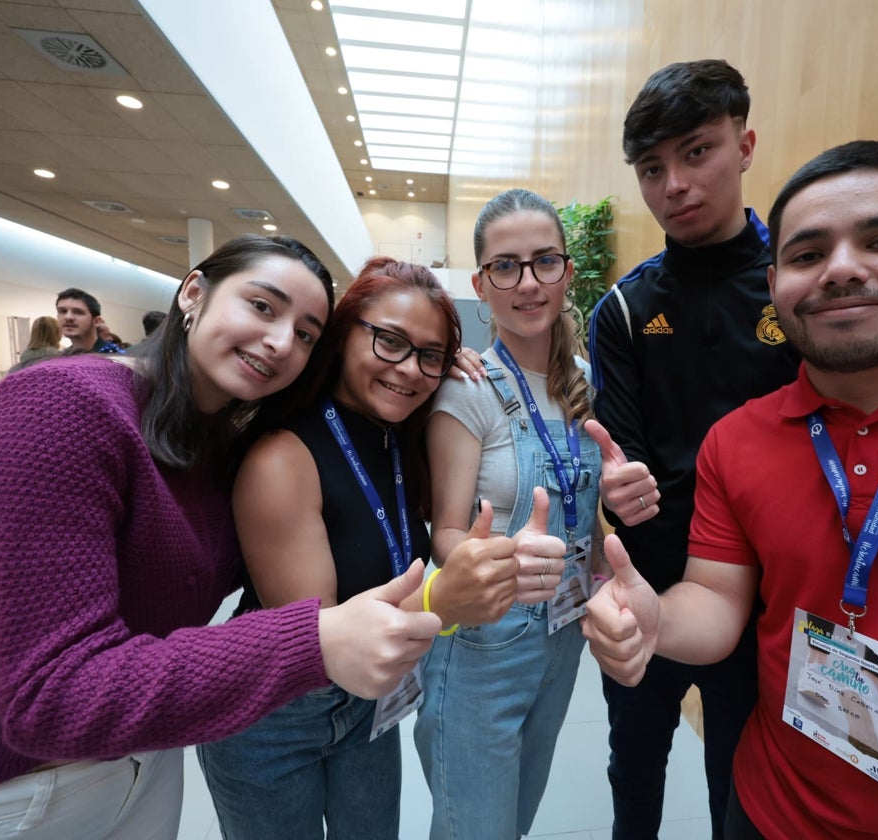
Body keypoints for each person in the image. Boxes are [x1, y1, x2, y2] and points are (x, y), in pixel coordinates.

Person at [0, 235, 444, 839]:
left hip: (135, 762)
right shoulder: (57, 407)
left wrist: (452, 369)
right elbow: (51, 697)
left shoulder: (217, 438)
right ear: (193, 292)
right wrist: (312, 640)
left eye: (305, 333)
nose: (279, 341)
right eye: (263, 306)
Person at [584, 140, 878, 838]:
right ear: (776, 280)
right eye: (809, 255)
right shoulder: (739, 442)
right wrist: (657, 621)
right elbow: (717, 599)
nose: (842, 269)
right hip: (774, 809)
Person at [198, 257, 527, 839]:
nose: (408, 370)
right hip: (275, 712)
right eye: (390, 342)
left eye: (430, 354)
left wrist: (452, 369)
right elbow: (320, 638)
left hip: (368, 705)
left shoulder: (398, 435)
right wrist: (444, 602)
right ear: (343, 332)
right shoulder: (281, 456)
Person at [585, 59, 800, 839]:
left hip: (770, 601)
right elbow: (623, 453)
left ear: (744, 145)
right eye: (651, 168)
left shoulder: (796, 288)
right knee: (633, 773)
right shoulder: (624, 307)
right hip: (649, 591)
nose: (673, 183)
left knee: (740, 795)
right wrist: (619, 490)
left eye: (696, 152)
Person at [415, 188, 605, 839]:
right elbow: (444, 530)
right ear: (481, 282)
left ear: (567, 271)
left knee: (514, 822)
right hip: (485, 641)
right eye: (506, 266)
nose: (527, 283)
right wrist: (482, 558)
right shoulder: (467, 388)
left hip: (564, 632)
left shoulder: (589, 381)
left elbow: (594, 511)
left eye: (544, 262)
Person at [55, 287, 123, 354]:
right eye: (63, 311)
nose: (68, 317)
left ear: (96, 321)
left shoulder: (116, 358)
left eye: (78, 312)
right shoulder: (61, 358)